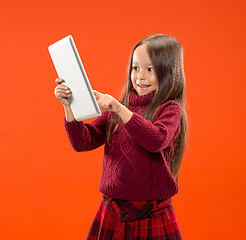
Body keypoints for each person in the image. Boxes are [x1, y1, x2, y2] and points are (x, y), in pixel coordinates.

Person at [54, 34, 187, 240]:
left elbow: (155, 140)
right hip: (113, 210)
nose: (140, 76)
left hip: (152, 212)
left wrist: (119, 108)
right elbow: (82, 142)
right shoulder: (117, 108)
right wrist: (69, 107)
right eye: (136, 68)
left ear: (169, 72)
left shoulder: (170, 109)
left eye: (150, 69)